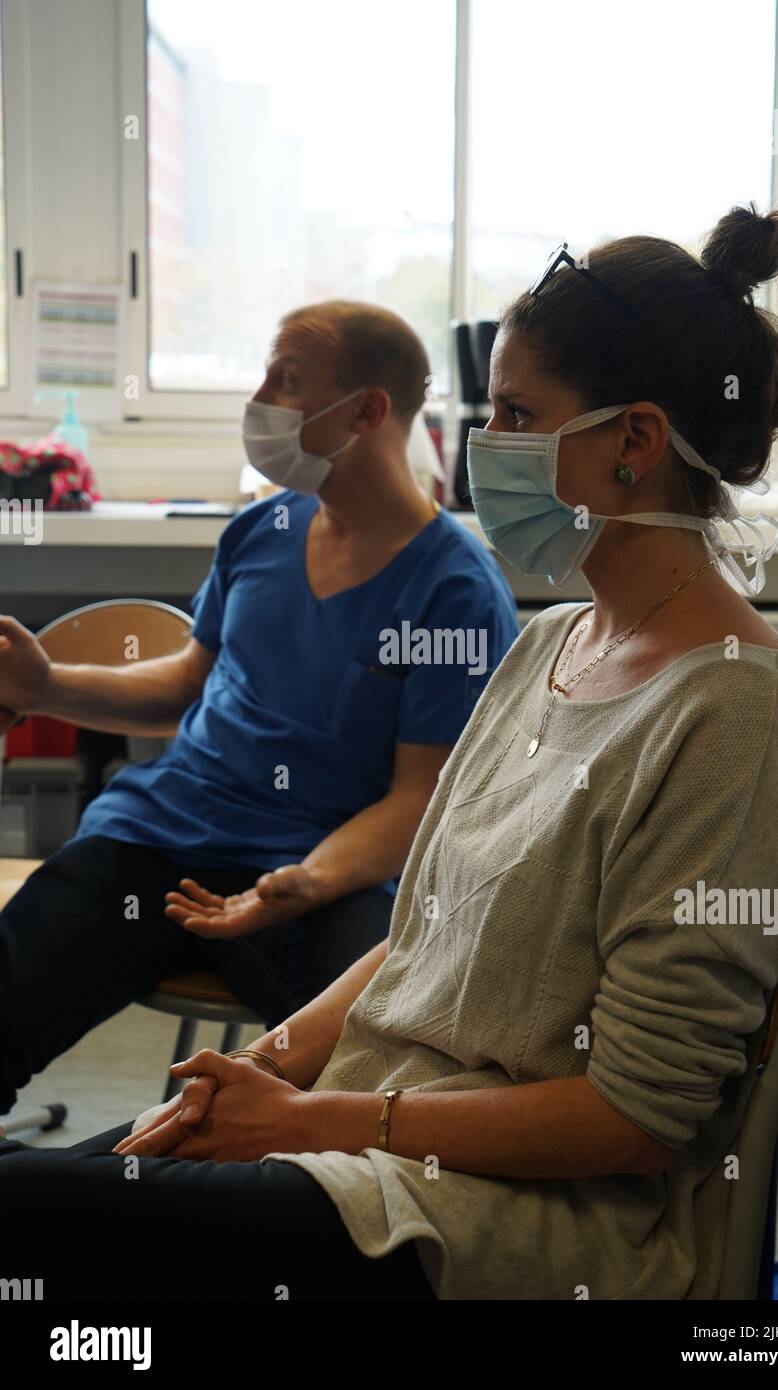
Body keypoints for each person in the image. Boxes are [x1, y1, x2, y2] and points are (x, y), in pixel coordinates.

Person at [0, 205, 778, 1302]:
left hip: (502, 1215)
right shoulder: (551, 643)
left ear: (633, 442)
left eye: (517, 415)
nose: (485, 452)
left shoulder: (729, 720)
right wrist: (268, 1063)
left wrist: (310, 1118)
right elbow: (422, 933)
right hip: (366, 1133)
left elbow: (632, 1120)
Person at [0, 300, 519, 1118]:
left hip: (322, 873)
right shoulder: (263, 530)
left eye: (286, 379)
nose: (261, 398)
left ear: (367, 411)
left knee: (365, 1087)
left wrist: (303, 883)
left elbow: (419, 802)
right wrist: (45, 686)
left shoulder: (454, 591)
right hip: (159, 838)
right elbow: (182, 686)